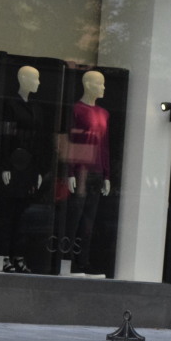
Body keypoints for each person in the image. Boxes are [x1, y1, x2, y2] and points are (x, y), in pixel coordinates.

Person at [65, 70, 112, 276]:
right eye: (100, 84)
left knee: (89, 221)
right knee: (74, 217)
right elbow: (70, 142)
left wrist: (107, 175)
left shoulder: (104, 114)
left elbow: (105, 146)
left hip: (96, 172)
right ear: (88, 84)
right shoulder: (76, 110)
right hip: (82, 171)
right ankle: (67, 261)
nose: (103, 88)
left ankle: (83, 261)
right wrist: (70, 171)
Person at [0, 65, 45, 273]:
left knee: (23, 215)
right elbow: (6, 135)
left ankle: (18, 254)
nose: (38, 83)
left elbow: (38, 140)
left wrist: (37, 171)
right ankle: (4, 256)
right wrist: (5, 165)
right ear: (23, 79)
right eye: (35, 79)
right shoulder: (10, 104)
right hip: (14, 164)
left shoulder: (36, 107)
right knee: (8, 212)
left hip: (28, 166)